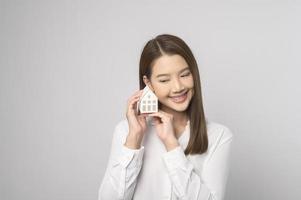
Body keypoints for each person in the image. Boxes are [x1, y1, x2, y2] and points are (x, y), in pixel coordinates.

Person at [98, 34, 234, 200]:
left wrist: (172, 145)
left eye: (184, 75)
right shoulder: (126, 131)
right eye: (164, 80)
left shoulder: (218, 136)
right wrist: (133, 140)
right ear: (149, 84)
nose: (177, 87)